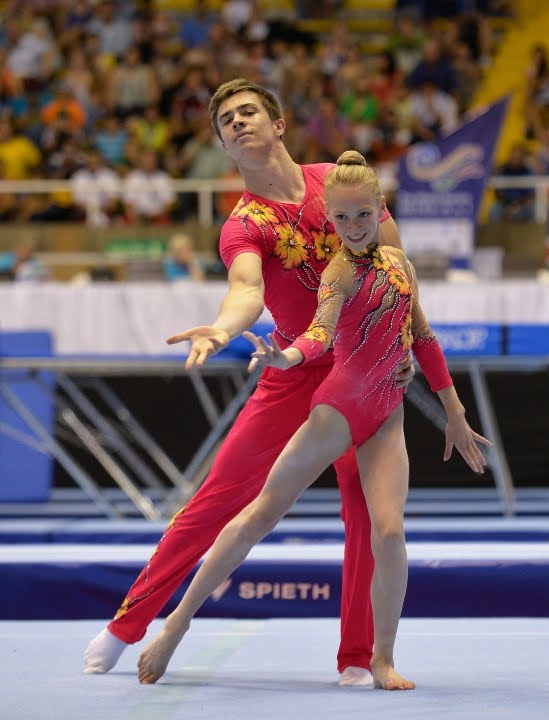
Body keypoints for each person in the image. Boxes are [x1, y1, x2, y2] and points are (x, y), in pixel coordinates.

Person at [83, 79, 405, 687]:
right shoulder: (243, 226)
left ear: (278, 124)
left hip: (359, 367)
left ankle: (357, 655)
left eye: (248, 111)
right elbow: (247, 291)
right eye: (226, 121)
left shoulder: (336, 183)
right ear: (225, 148)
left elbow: (395, 262)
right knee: (217, 497)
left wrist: (402, 337)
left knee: (365, 508)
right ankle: (128, 625)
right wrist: (224, 328)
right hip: (291, 365)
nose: (237, 121)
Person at [136, 151, 491, 689]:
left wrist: (455, 414)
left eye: (363, 215)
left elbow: (423, 337)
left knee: (389, 531)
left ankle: (382, 659)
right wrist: (286, 358)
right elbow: (319, 334)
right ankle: (176, 624)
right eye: (341, 218)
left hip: (386, 417)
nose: (353, 227)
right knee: (261, 514)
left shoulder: (401, 265)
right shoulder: (338, 273)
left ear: (380, 210)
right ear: (330, 218)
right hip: (339, 410)